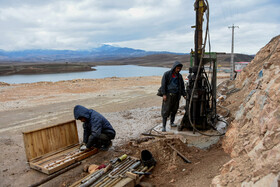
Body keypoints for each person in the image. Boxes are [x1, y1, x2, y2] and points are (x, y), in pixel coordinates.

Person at [160, 61, 186, 132]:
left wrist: (184, 94)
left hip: (176, 96)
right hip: (168, 96)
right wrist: (164, 94)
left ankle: (172, 122)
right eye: (177, 68)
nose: (178, 70)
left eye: (180, 69)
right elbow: (163, 85)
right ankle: (164, 126)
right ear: (174, 67)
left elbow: (182, 86)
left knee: (174, 110)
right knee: (166, 111)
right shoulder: (167, 74)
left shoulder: (179, 76)